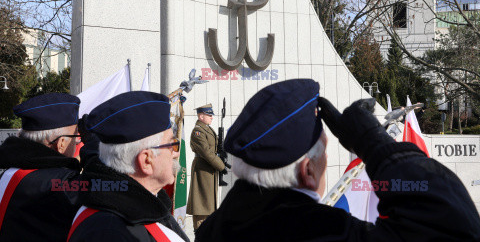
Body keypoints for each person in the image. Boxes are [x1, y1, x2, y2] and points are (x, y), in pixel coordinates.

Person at [195, 79, 480, 242]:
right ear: (308, 172)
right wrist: (375, 146)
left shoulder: (212, 231)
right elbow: (456, 228)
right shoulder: (329, 233)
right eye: (325, 154)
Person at [67, 91, 189, 242]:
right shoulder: (109, 232)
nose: (176, 154)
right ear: (146, 161)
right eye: (172, 145)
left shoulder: (138, 210)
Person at [0, 93, 84, 241]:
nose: (77, 142)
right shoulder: (61, 184)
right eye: (75, 136)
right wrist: (96, 145)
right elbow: (116, 187)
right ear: (61, 144)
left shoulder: (9, 172)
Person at [187, 104, 226, 231]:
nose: (211, 117)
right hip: (203, 170)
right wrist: (221, 166)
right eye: (209, 115)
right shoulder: (198, 131)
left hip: (209, 170)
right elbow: (206, 152)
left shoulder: (207, 129)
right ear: (201, 116)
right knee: (202, 205)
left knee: (209, 205)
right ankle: (200, 233)